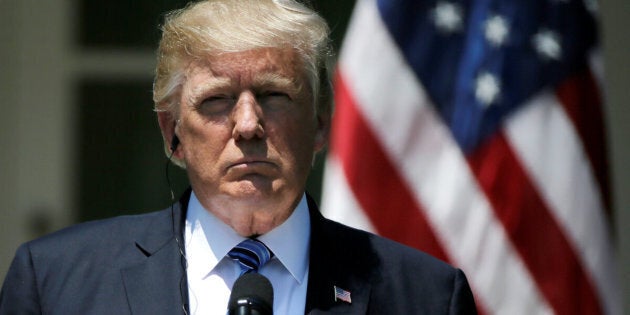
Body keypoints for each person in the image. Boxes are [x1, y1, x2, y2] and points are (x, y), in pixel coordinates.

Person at [0, 0, 477, 314]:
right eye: (216, 101)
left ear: (320, 122)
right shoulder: (55, 281)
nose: (248, 125)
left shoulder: (427, 296)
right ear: (173, 134)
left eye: (274, 95)